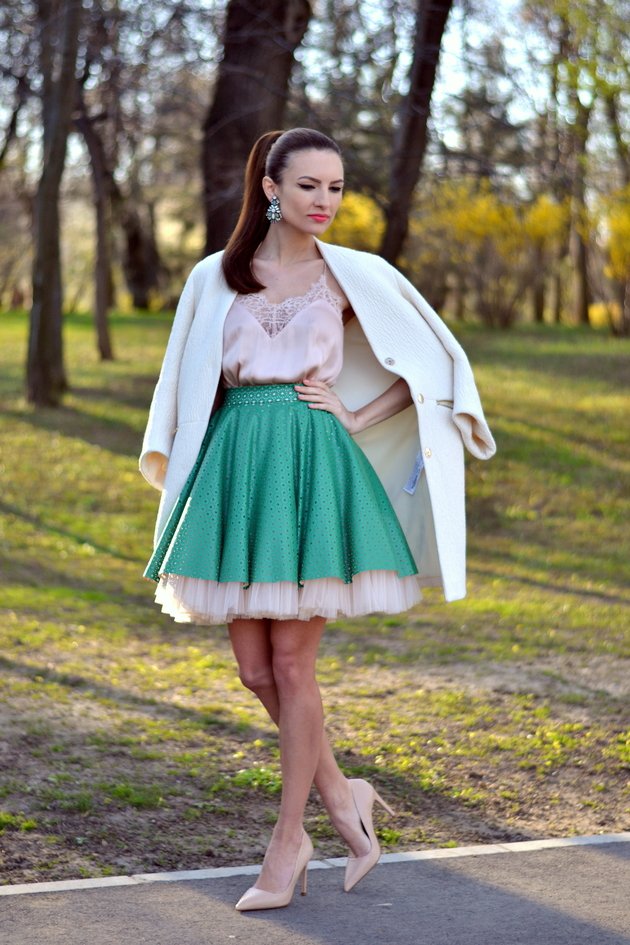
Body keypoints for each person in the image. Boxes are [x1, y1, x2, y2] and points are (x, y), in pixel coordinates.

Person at [140, 128, 495, 911]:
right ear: (270, 187)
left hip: (314, 468)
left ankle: (288, 838)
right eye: (309, 186)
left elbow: (433, 366)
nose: (325, 201)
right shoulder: (216, 277)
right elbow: (187, 383)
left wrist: (356, 412)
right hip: (237, 467)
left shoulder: (354, 275)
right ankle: (345, 795)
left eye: (335, 187)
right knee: (255, 670)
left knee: (294, 668)